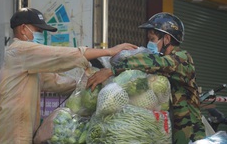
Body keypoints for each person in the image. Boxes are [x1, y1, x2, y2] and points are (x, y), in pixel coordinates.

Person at [0, 7, 137, 144]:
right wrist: (109, 51)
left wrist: (87, 84)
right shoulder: (20, 50)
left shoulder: (30, 61)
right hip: (9, 128)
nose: (40, 35)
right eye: (38, 30)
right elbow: (63, 55)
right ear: (23, 29)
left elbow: (53, 81)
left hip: (19, 127)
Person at [87, 12, 205, 144]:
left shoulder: (182, 59)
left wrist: (112, 70)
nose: (149, 43)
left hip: (188, 132)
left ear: (166, 39)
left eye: (153, 39)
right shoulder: (161, 61)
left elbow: (151, 62)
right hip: (169, 130)